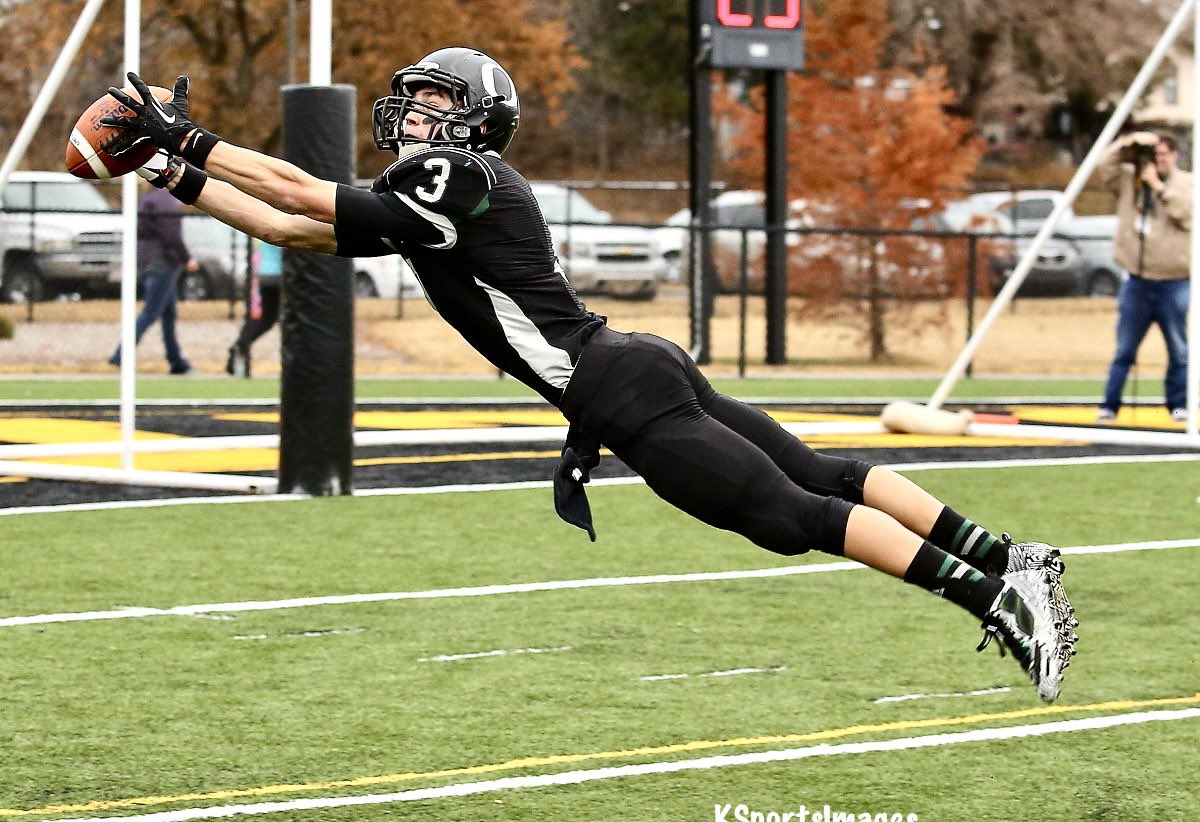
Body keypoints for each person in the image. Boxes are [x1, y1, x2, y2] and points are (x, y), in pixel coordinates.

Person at [101, 51, 1077, 702]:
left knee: (795, 518)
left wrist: (187, 137)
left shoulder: (464, 177)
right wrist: (161, 171)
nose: (415, 111)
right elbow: (291, 225)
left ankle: (995, 598)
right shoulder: (434, 197)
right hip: (629, 371)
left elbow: (306, 190)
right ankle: (1007, 555)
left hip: (622, 387)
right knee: (825, 475)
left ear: (476, 122)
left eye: (437, 101)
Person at [1096, 131, 1193, 424]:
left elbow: (1188, 214)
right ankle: (1110, 406)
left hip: (1175, 281)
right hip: (1137, 281)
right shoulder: (1130, 180)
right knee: (1124, 349)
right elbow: (1103, 169)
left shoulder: (1188, 183)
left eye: (1163, 154)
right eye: (1153, 155)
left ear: (1174, 155)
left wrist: (1157, 185)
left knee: (1178, 348)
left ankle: (1178, 404)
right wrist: (1125, 144)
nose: (1157, 160)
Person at [107, 185, 197, 374]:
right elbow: (171, 236)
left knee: (169, 314)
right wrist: (186, 258)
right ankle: (121, 354)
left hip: (148, 260)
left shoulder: (148, 198)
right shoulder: (165, 201)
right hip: (162, 263)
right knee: (151, 312)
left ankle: (176, 361)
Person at [226, 239, 282, 377]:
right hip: (281, 275)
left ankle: (241, 344)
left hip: (264, 274)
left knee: (266, 319)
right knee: (288, 319)